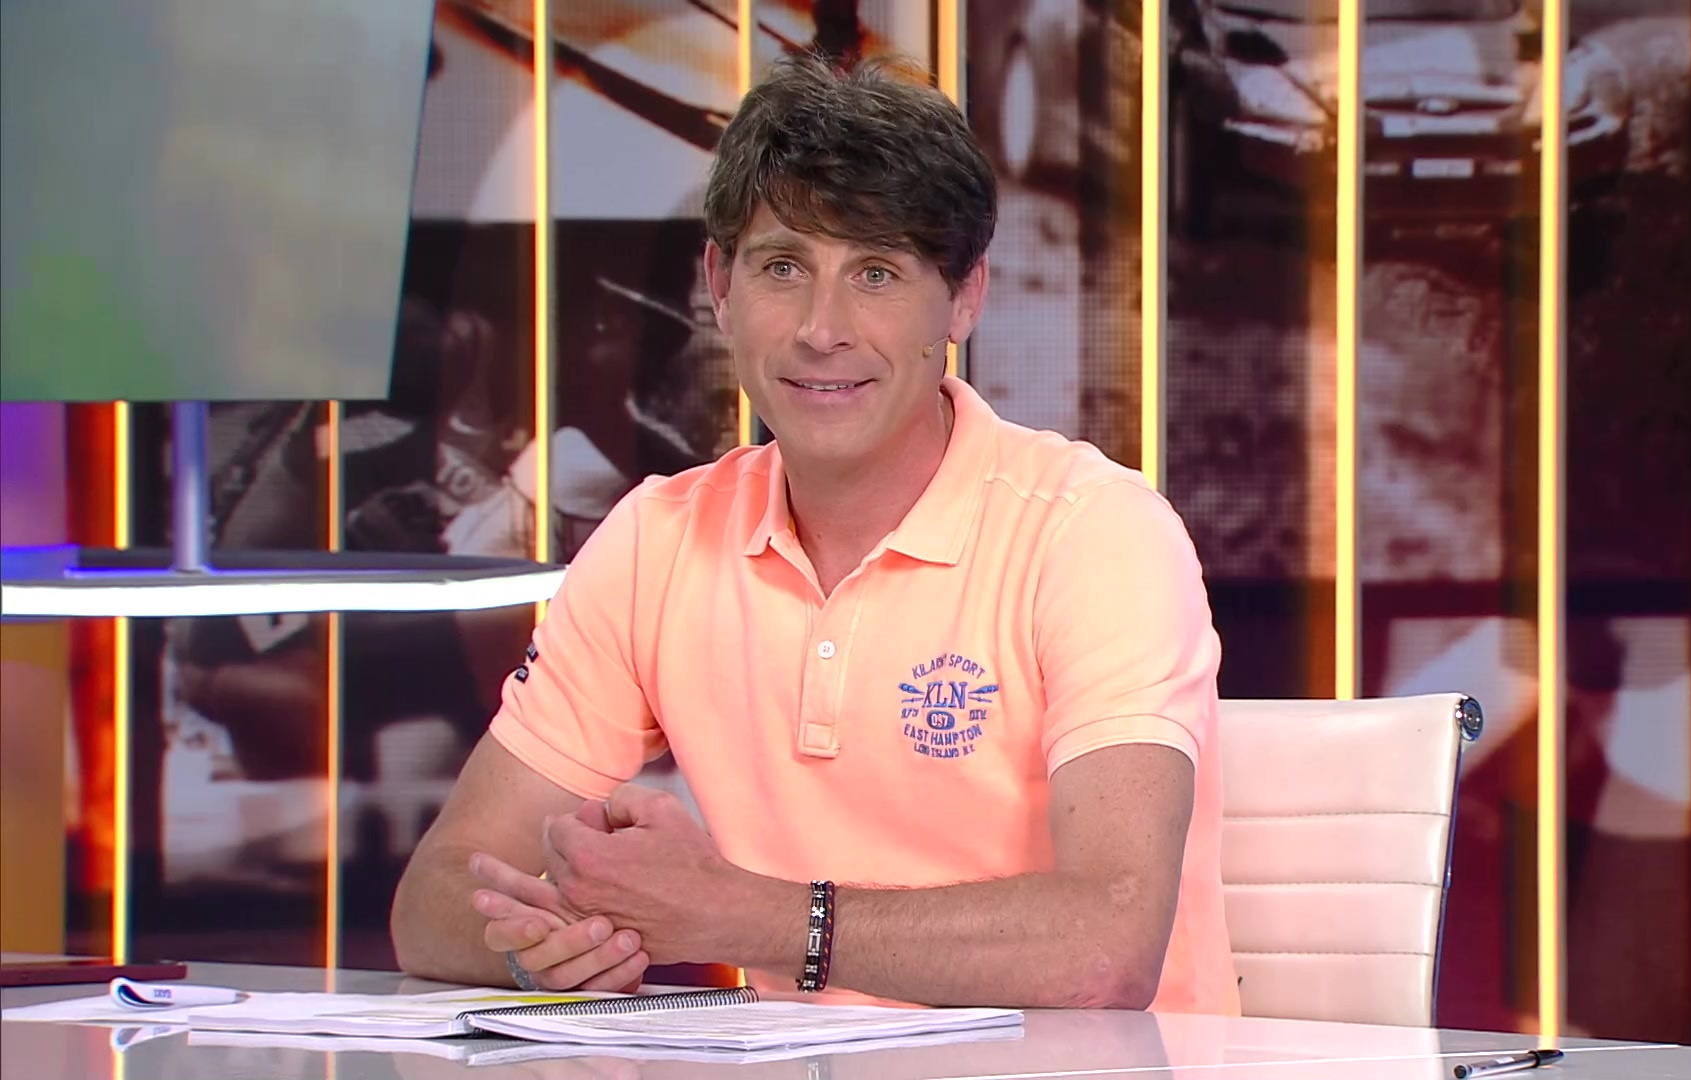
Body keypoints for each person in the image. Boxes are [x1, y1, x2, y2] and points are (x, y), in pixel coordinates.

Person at [390, 51, 1241, 1015]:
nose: (821, 329)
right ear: (720, 285)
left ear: (963, 298)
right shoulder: (655, 542)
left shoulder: (1094, 533)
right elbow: (435, 896)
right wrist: (539, 949)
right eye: (783, 267)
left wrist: (743, 916)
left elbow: (1107, 946)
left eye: (876, 273)